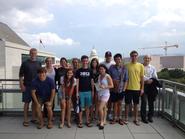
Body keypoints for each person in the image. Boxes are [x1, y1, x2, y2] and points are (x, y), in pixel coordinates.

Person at [19, 48, 41, 127]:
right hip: (27, 86)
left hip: (36, 86)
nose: (33, 54)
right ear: (29, 54)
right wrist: (21, 85)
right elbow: (21, 75)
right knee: (26, 103)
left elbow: (40, 74)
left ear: (36, 54)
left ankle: (33, 118)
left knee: (35, 103)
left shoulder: (39, 63)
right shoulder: (25, 63)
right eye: (32, 53)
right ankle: (25, 119)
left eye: (35, 53)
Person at [125, 50, 144, 126]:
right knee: (127, 104)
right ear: (130, 57)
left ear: (137, 56)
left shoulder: (140, 66)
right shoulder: (126, 65)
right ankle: (126, 118)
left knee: (136, 104)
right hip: (128, 88)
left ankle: (135, 119)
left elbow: (142, 78)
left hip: (137, 88)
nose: (134, 57)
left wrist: (142, 88)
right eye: (132, 56)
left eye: (135, 56)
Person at [109, 53, 128, 125]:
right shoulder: (111, 67)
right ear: (114, 60)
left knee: (120, 104)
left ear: (121, 59)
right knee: (114, 104)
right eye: (116, 59)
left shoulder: (124, 68)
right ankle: (114, 118)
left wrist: (124, 89)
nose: (118, 60)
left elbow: (126, 80)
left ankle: (119, 118)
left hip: (121, 89)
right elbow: (109, 78)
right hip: (113, 89)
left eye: (119, 59)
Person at [76, 55, 94, 128]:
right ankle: (80, 121)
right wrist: (77, 92)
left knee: (87, 107)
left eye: (86, 61)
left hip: (88, 91)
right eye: (83, 61)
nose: (85, 62)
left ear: (88, 61)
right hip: (81, 91)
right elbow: (77, 82)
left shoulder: (90, 70)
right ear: (81, 61)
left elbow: (92, 81)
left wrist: (93, 91)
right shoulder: (78, 71)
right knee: (80, 107)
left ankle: (87, 121)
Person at [141, 55, 158, 123]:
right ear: (143, 59)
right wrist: (146, 80)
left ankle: (150, 117)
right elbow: (140, 76)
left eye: (148, 58)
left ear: (150, 59)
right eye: (146, 58)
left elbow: (155, 77)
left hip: (151, 86)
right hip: (143, 85)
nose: (147, 59)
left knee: (151, 102)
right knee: (144, 101)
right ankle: (143, 117)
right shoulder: (140, 66)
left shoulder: (153, 67)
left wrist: (151, 80)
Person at [97, 64, 113, 130]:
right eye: (100, 69)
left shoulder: (107, 76)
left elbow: (112, 85)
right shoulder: (99, 76)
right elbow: (99, 84)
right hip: (100, 93)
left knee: (100, 108)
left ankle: (101, 122)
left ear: (105, 69)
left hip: (106, 94)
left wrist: (105, 87)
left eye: (102, 69)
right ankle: (104, 120)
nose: (101, 70)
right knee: (104, 108)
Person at [101, 51, 115, 120]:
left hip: (111, 84)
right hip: (103, 86)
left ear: (111, 57)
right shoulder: (102, 63)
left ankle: (109, 113)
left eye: (109, 56)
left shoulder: (113, 63)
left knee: (110, 101)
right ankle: (103, 115)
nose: (108, 57)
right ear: (105, 56)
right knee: (103, 102)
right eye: (107, 56)